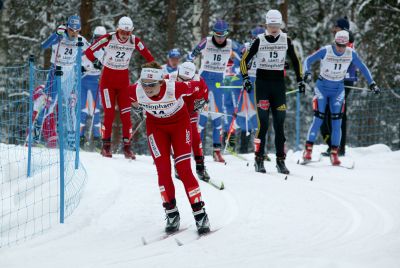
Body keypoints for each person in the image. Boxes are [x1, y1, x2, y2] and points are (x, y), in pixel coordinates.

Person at [128, 62, 210, 235]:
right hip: (156, 129)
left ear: (161, 82)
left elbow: (199, 83)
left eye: (152, 85)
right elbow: (122, 95)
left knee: (184, 169)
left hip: (180, 126)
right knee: (163, 170)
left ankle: (200, 214)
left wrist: (202, 100)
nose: (148, 88)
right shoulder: (135, 90)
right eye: (145, 84)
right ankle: (171, 213)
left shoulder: (175, 87)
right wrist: (136, 106)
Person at [302, 30, 380, 165]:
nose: (340, 48)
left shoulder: (351, 53)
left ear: (347, 45)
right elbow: (308, 60)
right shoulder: (326, 50)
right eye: (338, 45)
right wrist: (307, 73)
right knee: (319, 118)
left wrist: (372, 83)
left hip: (338, 89)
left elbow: (362, 67)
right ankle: (308, 150)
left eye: (343, 46)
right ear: (335, 42)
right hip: (322, 88)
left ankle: (334, 153)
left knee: (337, 122)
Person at [240, 10, 304, 174]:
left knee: (280, 123)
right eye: (271, 25)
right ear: (266, 25)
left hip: (278, 86)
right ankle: (259, 159)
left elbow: (295, 60)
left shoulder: (285, 39)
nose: (274, 28)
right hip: (262, 85)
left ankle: (280, 161)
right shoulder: (259, 40)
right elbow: (244, 61)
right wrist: (246, 78)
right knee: (263, 124)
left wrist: (300, 79)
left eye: (277, 25)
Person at [85, 16, 154, 159]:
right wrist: (96, 62)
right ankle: (106, 146)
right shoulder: (108, 38)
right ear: (118, 29)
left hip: (123, 83)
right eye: (123, 32)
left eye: (128, 33)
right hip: (107, 82)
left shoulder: (134, 40)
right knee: (109, 114)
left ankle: (127, 148)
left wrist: (154, 71)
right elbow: (89, 51)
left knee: (126, 115)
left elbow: (149, 57)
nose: (124, 35)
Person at [188, 19, 242, 163]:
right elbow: (191, 54)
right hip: (204, 80)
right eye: (216, 35)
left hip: (218, 82)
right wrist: (189, 67)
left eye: (222, 35)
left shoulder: (231, 44)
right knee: (202, 117)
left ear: (226, 34)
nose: (219, 38)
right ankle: (196, 149)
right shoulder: (206, 41)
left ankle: (216, 150)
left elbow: (243, 52)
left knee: (217, 115)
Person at [39, 15, 88, 148]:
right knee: (50, 103)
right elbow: (44, 46)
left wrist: (92, 64)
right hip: (56, 71)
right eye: (72, 30)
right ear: (67, 27)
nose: (74, 33)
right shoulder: (59, 37)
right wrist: (56, 34)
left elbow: (90, 52)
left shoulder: (80, 39)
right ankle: (37, 127)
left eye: (77, 30)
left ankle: (72, 139)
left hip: (69, 73)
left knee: (72, 104)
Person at [167, 62, 211, 182]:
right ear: (178, 74)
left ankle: (200, 166)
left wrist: (202, 103)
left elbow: (206, 96)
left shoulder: (199, 80)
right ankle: (178, 165)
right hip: (174, 112)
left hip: (190, 112)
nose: (185, 83)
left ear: (193, 76)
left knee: (195, 138)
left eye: (188, 80)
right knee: (178, 139)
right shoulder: (170, 77)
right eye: (182, 79)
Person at [320, 17, 357, 156]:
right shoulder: (343, 39)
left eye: (335, 26)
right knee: (333, 113)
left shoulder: (346, 39)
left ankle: (338, 148)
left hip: (343, 80)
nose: (332, 29)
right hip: (337, 80)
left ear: (341, 28)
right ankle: (335, 147)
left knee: (336, 112)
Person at [80, 26, 107, 150]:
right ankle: (79, 138)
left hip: (96, 81)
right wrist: (81, 68)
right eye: (96, 38)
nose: (98, 41)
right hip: (84, 80)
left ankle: (97, 139)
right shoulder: (87, 47)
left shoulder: (106, 51)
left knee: (96, 110)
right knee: (82, 110)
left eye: (101, 39)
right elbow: (80, 60)